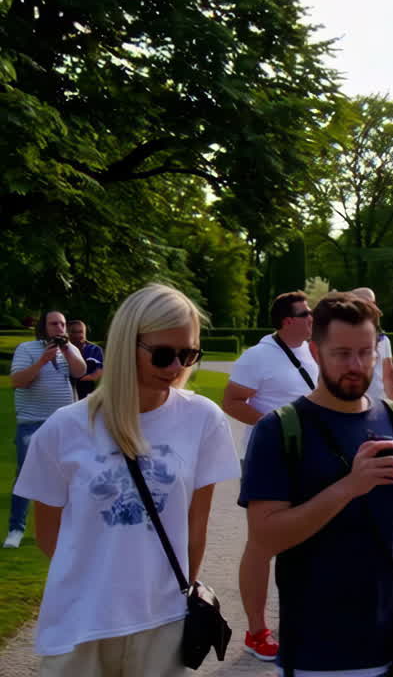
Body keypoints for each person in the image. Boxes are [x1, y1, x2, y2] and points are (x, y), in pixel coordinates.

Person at [13, 284, 239, 675]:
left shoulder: (203, 419)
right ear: (124, 344)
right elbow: (49, 536)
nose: (176, 368)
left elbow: (195, 529)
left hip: (163, 624)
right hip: (79, 626)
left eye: (187, 354)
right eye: (164, 354)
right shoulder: (63, 429)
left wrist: (169, 594)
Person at [239, 292, 393, 676]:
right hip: (322, 651)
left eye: (365, 352)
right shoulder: (280, 429)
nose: (356, 365)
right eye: (341, 354)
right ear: (316, 353)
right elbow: (265, 536)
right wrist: (348, 487)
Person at [221, 291, 319, 661]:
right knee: (263, 544)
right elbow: (231, 401)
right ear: (286, 321)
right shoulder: (258, 356)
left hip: (308, 459)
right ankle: (256, 631)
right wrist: (277, 426)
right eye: (305, 313)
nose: (312, 318)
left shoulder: (311, 351)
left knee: (309, 536)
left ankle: (300, 616)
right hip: (267, 458)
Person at [6, 310, 86, 549]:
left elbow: (80, 372)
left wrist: (67, 351)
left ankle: (72, 527)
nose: (60, 328)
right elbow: (17, 381)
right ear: (43, 327)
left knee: (73, 474)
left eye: (62, 324)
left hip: (66, 424)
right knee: (25, 474)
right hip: (32, 422)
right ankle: (15, 529)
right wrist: (42, 360)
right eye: (54, 324)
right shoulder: (26, 349)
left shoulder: (69, 350)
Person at [349, 287, 393, 403]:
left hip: (375, 403)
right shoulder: (341, 336)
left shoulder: (383, 340)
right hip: (350, 404)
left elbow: (388, 379)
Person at [67, 320, 104, 400]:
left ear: (85, 332)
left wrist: (76, 379)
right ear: (67, 333)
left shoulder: (94, 349)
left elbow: (97, 373)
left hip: (87, 393)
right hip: (65, 393)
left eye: (80, 332)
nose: (77, 335)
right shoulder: (61, 349)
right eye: (73, 332)